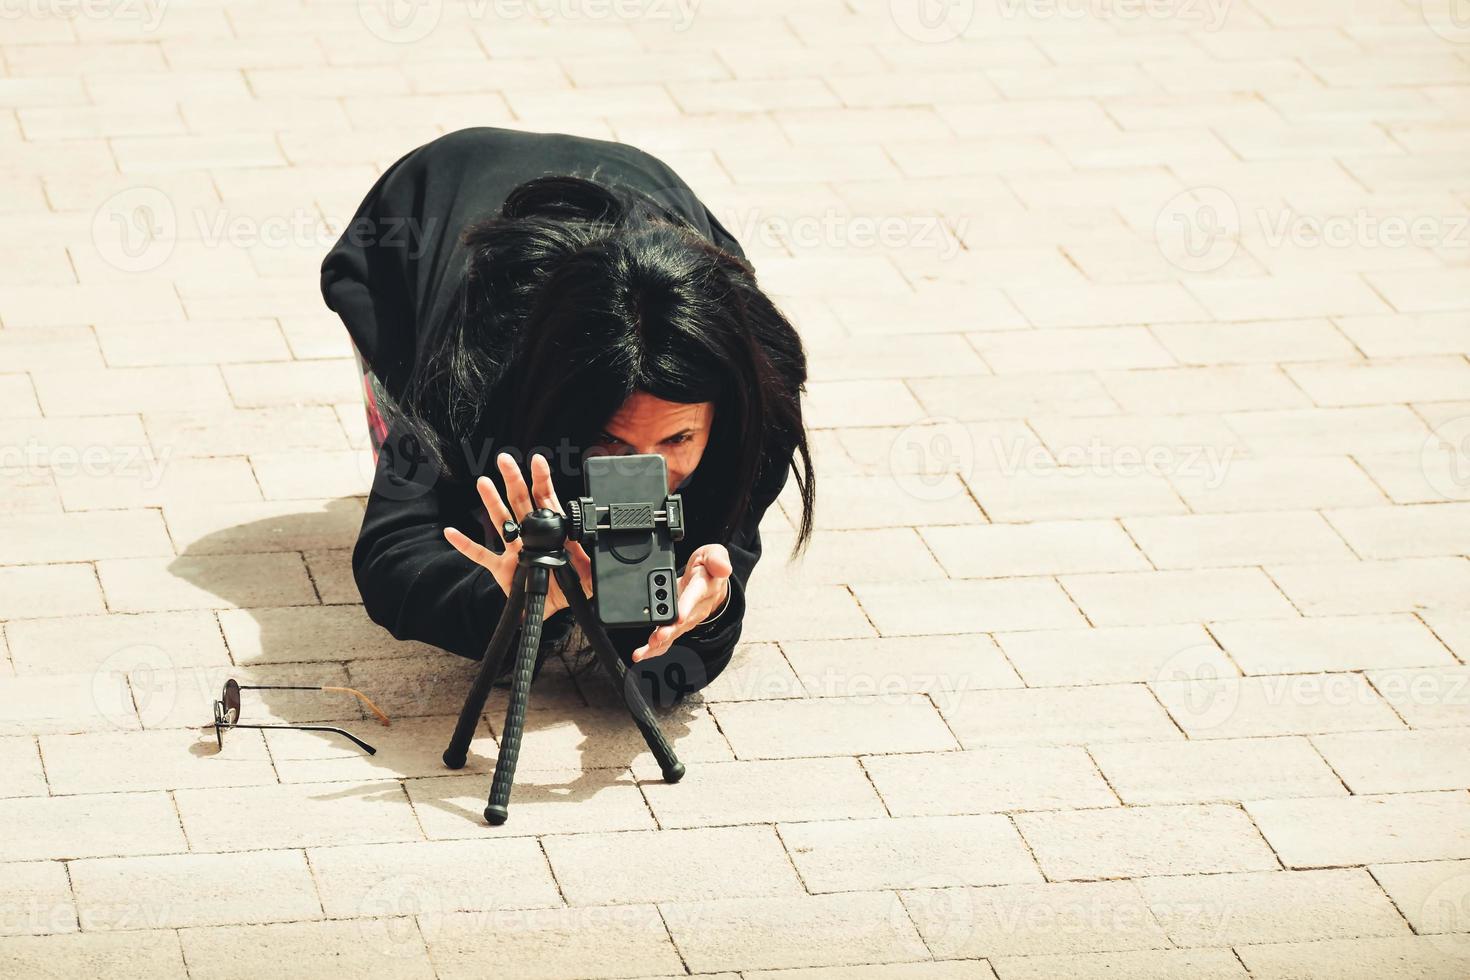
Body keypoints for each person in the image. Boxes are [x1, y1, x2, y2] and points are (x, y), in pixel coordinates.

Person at [319, 126, 815, 702]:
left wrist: (708, 612)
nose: (647, 470)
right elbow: (394, 561)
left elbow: (654, 677)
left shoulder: (757, 397)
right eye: (612, 441)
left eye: (678, 438)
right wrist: (507, 601)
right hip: (421, 217)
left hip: (651, 193)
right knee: (464, 490)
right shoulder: (472, 373)